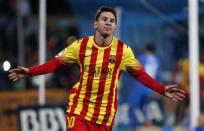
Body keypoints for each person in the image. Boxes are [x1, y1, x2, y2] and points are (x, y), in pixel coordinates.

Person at [8, 6, 187, 131]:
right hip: (80, 108)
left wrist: (162, 89)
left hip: (105, 115)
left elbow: (140, 74)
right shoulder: (80, 46)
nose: (108, 23)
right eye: (104, 19)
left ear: (115, 27)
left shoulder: (123, 51)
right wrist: (30, 71)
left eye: (112, 21)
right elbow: (54, 64)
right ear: (95, 24)